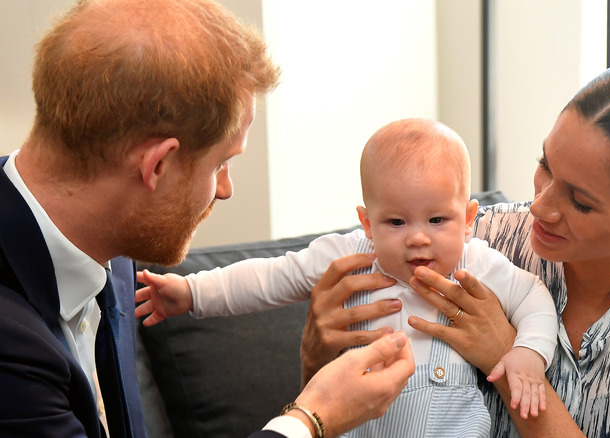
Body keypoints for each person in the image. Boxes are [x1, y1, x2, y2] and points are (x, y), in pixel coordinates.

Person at [0, 1, 413, 438]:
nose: (225, 189)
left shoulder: (113, 252)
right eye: (221, 163)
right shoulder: (11, 347)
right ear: (157, 166)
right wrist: (311, 418)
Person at [297, 59, 610, 437]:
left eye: (580, 202)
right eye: (545, 165)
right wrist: (316, 358)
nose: (540, 208)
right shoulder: (474, 239)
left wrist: (507, 358)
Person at [135, 117, 558, 436]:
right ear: (367, 223)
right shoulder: (350, 255)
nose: (417, 239)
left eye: (436, 219)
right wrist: (191, 292)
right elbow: (269, 278)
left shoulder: (478, 263)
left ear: (467, 219)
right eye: (395, 222)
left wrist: (527, 355)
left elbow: (534, 299)